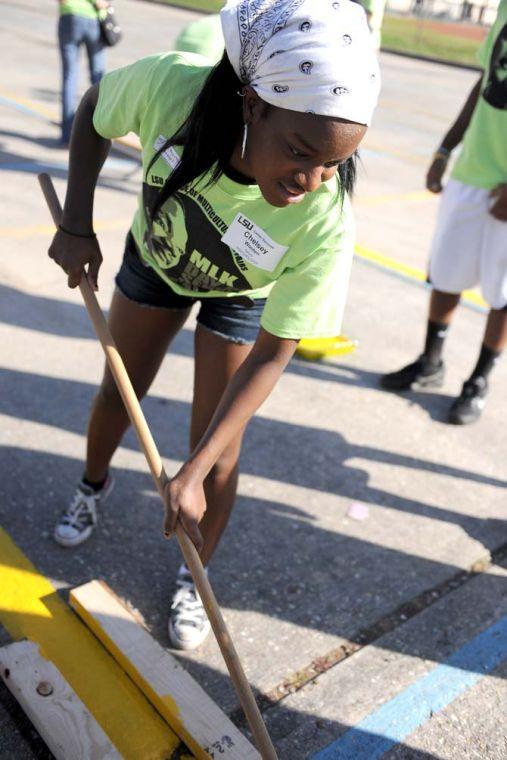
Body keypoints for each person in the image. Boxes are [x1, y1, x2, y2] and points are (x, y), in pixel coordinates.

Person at [48, 0, 379, 649]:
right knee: (119, 391)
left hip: (241, 295)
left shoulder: (324, 219)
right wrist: (76, 222)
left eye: (332, 165)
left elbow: (272, 355)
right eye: (299, 151)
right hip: (157, 259)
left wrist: (191, 470)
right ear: (253, 103)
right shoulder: (170, 90)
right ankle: (90, 488)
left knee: (218, 453)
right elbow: (93, 109)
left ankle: (192, 575)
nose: (310, 181)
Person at [380, 0, 507, 425]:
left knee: (503, 295)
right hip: (473, 171)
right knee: (446, 274)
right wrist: (444, 148)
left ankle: (479, 380)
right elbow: (485, 80)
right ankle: (431, 362)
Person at [57, 0, 109, 146]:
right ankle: (100, 134)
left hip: (69, 14)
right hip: (94, 17)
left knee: (69, 77)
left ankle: (68, 135)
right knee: (99, 80)